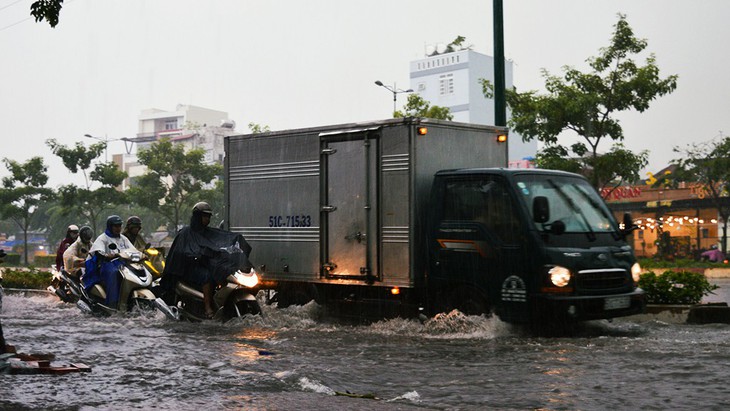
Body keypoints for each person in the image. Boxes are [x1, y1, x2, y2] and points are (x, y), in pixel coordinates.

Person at [161, 202, 252, 318]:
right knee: (207, 276)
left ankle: (221, 303)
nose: (207, 219)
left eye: (208, 216)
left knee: (222, 271)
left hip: (205, 264)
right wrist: (193, 254)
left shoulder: (209, 233)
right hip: (188, 268)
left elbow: (221, 240)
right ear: (197, 216)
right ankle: (208, 307)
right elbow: (178, 252)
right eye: (204, 216)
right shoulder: (185, 233)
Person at [82, 215, 133, 307]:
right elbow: (98, 252)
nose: (118, 228)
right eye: (116, 226)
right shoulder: (103, 238)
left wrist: (143, 255)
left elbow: (133, 250)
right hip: (105, 264)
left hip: (121, 264)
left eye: (120, 226)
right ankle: (112, 302)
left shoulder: (123, 238)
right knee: (114, 273)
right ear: (110, 226)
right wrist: (107, 255)